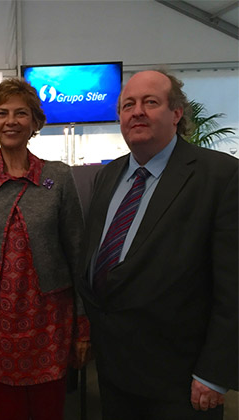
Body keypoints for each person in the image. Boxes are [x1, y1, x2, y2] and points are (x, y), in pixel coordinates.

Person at [78, 70, 238, 420]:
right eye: (128, 105)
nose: (137, 112)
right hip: (114, 372)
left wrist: (214, 373)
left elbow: (233, 288)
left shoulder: (221, 176)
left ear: (176, 113)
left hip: (181, 381)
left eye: (151, 102)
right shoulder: (108, 175)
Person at [0, 78, 90, 420]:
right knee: (8, 410)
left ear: (35, 122)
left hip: (50, 316)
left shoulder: (58, 177)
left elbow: (77, 253)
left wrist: (83, 322)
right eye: (2, 113)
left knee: (50, 409)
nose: (11, 121)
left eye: (21, 113)